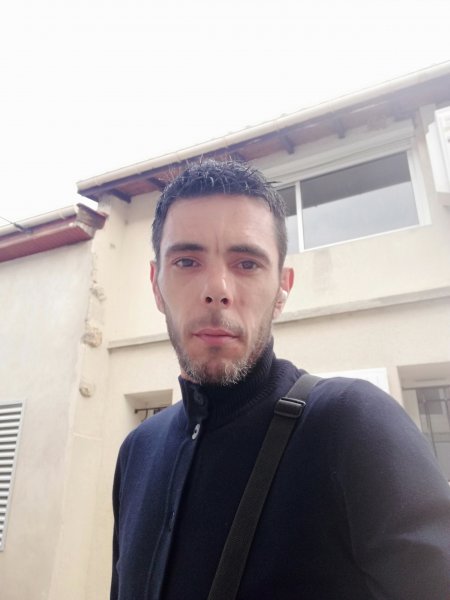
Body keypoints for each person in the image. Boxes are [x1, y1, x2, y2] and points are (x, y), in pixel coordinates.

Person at [111, 159, 450, 600]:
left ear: (282, 289)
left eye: (247, 263)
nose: (217, 289)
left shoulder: (350, 423)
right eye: (187, 261)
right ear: (156, 284)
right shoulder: (137, 450)